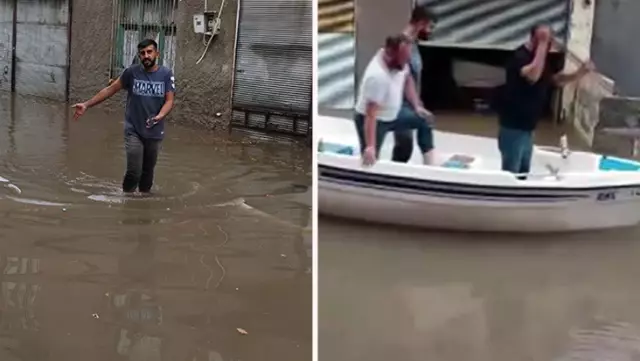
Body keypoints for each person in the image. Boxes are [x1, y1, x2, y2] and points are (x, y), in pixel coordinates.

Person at [72, 39, 176, 194]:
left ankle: (142, 205)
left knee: (147, 173)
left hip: (154, 130)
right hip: (133, 130)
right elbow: (110, 90)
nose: (146, 56)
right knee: (134, 171)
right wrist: (87, 104)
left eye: (149, 52)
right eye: (142, 53)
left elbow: (169, 100)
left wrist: (160, 116)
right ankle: (127, 198)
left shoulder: (166, 74)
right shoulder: (132, 73)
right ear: (139, 56)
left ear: (157, 54)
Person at [498, 24, 594, 177]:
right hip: (513, 128)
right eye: (547, 41)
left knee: (523, 173)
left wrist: (580, 72)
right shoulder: (519, 57)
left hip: (528, 129)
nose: (550, 46)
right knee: (511, 175)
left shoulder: (542, 60)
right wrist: (542, 44)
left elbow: (555, 80)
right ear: (536, 40)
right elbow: (533, 76)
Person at [354, 34, 433, 166]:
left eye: (406, 59)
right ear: (390, 53)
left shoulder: (401, 62)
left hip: (394, 114)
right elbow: (370, 114)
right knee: (370, 159)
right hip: (374, 120)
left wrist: (416, 105)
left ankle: (430, 165)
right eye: (402, 59)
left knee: (425, 120)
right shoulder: (377, 76)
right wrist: (370, 146)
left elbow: (407, 78)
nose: (404, 64)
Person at [392, 5, 437, 164]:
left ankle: (429, 166)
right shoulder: (401, 44)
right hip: (398, 104)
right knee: (404, 146)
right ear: (421, 24)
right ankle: (429, 168)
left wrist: (417, 104)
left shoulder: (413, 44)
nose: (431, 31)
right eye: (430, 26)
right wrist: (416, 105)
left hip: (410, 103)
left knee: (406, 146)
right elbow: (404, 78)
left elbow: (411, 78)